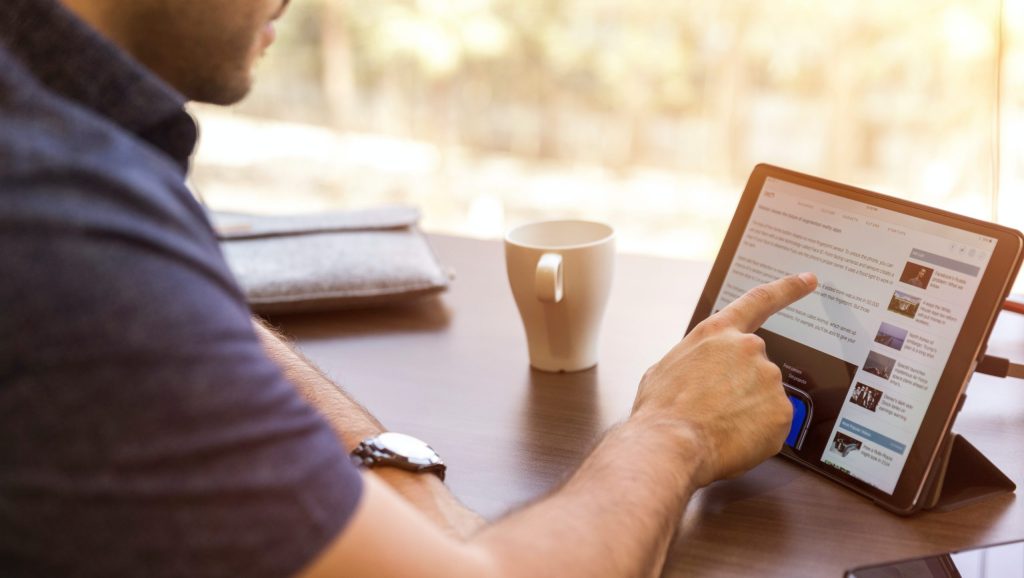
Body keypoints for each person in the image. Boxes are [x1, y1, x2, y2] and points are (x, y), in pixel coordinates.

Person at [0, 0, 818, 576]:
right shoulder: (53, 216)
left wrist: (398, 477)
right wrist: (676, 431)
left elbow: (175, 314)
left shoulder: (57, 141)